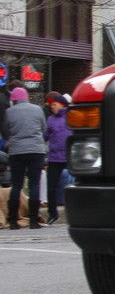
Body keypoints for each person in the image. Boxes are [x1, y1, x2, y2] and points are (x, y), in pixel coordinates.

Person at [2, 87, 47, 229]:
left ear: (14, 100)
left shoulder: (9, 112)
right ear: (27, 97)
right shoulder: (37, 109)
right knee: (34, 184)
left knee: (16, 185)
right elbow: (43, 128)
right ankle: (34, 220)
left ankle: (14, 221)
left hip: (16, 151)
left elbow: (6, 131)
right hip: (36, 149)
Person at [42, 93, 72, 224]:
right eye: (50, 106)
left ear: (62, 104)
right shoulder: (50, 119)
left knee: (76, 185)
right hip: (54, 157)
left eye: (54, 105)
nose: (52, 108)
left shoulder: (71, 116)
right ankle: (52, 214)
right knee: (51, 186)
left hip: (69, 155)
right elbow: (46, 135)